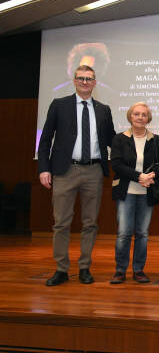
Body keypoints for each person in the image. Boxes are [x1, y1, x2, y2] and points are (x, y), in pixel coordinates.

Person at [38, 65, 116, 286]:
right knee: (61, 223)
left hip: (94, 171)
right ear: (74, 80)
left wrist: (137, 142)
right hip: (65, 171)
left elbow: (111, 140)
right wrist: (44, 168)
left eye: (89, 79)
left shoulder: (103, 109)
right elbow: (45, 140)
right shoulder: (59, 105)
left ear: (94, 82)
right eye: (81, 78)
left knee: (90, 223)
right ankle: (61, 269)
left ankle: (84, 267)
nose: (85, 82)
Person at [110, 102, 159, 284]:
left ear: (148, 118)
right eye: (137, 114)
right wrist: (139, 177)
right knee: (124, 233)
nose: (140, 117)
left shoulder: (157, 140)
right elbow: (117, 165)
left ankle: (138, 270)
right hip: (126, 191)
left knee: (142, 233)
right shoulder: (120, 139)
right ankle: (120, 270)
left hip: (147, 193)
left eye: (144, 115)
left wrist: (151, 175)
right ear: (130, 117)